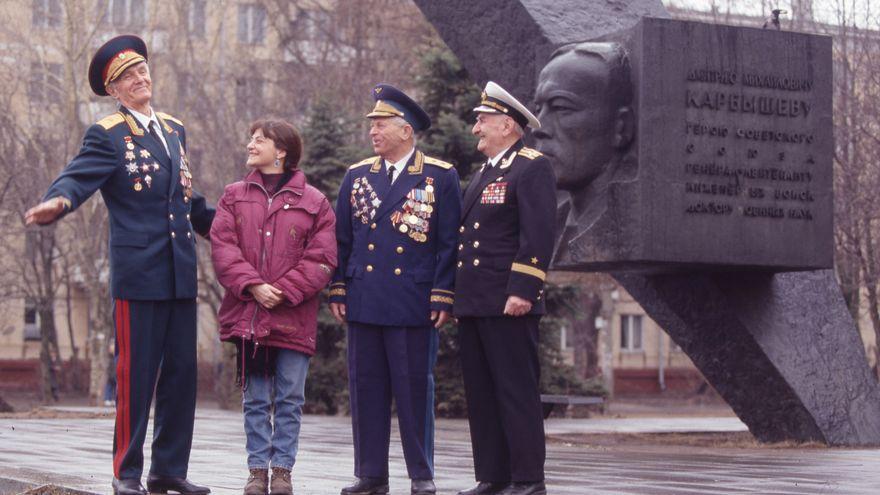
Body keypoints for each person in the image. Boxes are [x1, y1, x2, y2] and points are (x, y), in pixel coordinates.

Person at [24, 35, 214, 495]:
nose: (140, 79)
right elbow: (78, 175)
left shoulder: (173, 130)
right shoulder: (107, 133)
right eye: (128, 77)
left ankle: (169, 469)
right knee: (137, 373)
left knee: (180, 376)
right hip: (139, 273)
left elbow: (186, 198)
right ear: (114, 89)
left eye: (143, 71)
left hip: (179, 271)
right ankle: (126, 472)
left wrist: (232, 226)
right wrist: (59, 200)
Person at [329, 84, 461, 495]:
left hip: (412, 302)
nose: (373, 131)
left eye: (382, 124)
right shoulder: (357, 176)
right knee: (365, 388)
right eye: (372, 124)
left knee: (413, 390)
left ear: (406, 130)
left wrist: (443, 293)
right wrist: (338, 287)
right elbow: (342, 238)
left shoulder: (439, 176)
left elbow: (448, 242)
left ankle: (421, 473)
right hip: (365, 297)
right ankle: (370, 474)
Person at [210, 117, 337, 495]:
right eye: (251, 138)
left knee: (289, 398)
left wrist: (280, 290)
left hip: (292, 317)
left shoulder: (314, 202)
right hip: (248, 315)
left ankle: (282, 470)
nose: (251, 144)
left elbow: (323, 258)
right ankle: (256, 471)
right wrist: (253, 285)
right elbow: (222, 248)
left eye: (259, 140)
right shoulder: (233, 196)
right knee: (256, 399)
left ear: (281, 150)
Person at [454, 82, 556, 495]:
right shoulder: (485, 173)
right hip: (476, 300)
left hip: (509, 299)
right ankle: (493, 476)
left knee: (516, 392)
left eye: (483, 120)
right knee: (482, 394)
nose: (476, 128)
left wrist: (523, 290)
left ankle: (528, 479)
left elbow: (538, 234)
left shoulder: (531, 166)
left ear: (508, 125)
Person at [532, 42, 635, 266]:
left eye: (561, 108)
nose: (538, 127)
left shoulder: (635, 224)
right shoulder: (548, 227)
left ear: (621, 127)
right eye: (538, 109)